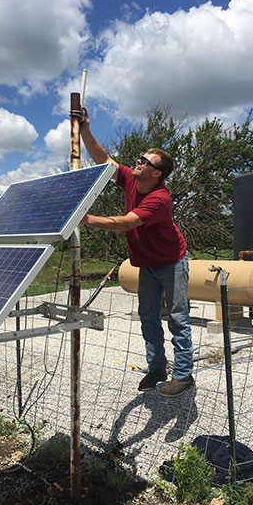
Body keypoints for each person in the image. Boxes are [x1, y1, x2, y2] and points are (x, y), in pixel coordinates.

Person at [80, 109, 194, 397]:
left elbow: (127, 222)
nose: (137, 162)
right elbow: (103, 160)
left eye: (145, 161)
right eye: (139, 158)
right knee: (148, 316)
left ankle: (183, 376)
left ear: (157, 173)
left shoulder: (160, 199)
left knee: (178, 317)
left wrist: (85, 218)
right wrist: (84, 130)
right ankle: (156, 368)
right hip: (147, 264)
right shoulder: (131, 179)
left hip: (171, 263)